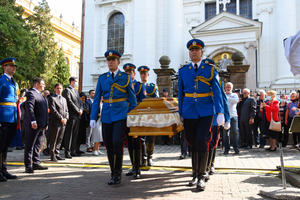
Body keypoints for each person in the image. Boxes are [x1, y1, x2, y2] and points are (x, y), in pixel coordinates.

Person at [178, 39, 224, 191]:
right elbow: (180, 93)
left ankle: (201, 176)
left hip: (205, 110)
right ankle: (194, 174)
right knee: (191, 141)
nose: (194, 52)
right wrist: (180, 112)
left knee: (202, 140)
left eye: (197, 50)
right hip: (189, 110)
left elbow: (217, 91)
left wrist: (220, 112)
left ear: (202, 52)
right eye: (191, 50)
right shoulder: (183, 71)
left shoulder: (210, 69)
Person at [90, 50, 137, 185]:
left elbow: (132, 99)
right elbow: (97, 97)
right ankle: (113, 172)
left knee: (117, 142)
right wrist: (93, 117)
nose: (110, 62)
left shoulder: (125, 77)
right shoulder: (102, 78)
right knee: (109, 145)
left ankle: (117, 173)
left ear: (118, 62)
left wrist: (131, 115)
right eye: (109, 60)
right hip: (106, 115)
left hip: (121, 114)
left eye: (113, 60)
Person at [206, 60, 230, 181]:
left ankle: (210, 165)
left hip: (215, 117)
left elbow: (223, 100)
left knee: (212, 143)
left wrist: (227, 118)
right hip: (202, 115)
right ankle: (202, 167)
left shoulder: (218, 81)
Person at [123, 63, 146, 178]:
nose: (128, 74)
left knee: (136, 143)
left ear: (134, 74)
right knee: (130, 144)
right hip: (125, 117)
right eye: (126, 72)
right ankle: (133, 166)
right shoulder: (121, 86)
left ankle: (138, 169)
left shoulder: (140, 86)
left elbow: (144, 102)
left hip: (136, 118)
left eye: (130, 72)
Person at [23, 78, 49, 173]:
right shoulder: (31, 93)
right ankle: (28, 165)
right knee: (30, 145)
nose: (44, 86)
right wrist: (33, 121)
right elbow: (30, 108)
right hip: (33, 125)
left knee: (38, 145)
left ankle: (36, 163)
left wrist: (46, 123)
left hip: (41, 125)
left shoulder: (40, 95)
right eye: (43, 84)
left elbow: (44, 111)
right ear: (36, 84)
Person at [0, 57, 18, 181]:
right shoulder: (1, 80)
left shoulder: (13, 82)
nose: (13, 68)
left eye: (14, 66)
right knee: (0, 146)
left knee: (6, 146)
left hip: (12, 117)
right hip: (3, 116)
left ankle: (3, 169)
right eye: (10, 66)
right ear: (4, 67)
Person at [138, 65, 159, 167]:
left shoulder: (152, 86)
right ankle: (143, 158)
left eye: (145, 74)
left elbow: (156, 100)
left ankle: (150, 157)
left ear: (148, 75)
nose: (143, 75)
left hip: (150, 115)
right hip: (140, 115)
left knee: (150, 138)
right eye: (141, 74)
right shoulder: (136, 86)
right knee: (141, 138)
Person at [62, 77, 83, 158]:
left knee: (75, 134)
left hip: (77, 115)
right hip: (71, 115)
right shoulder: (67, 90)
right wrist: (77, 109)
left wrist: (81, 109)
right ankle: (67, 152)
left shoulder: (76, 91)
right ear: (71, 81)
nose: (76, 83)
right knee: (69, 134)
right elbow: (69, 101)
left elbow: (80, 102)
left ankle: (73, 150)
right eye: (75, 81)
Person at [48, 83, 68, 162]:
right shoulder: (52, 98)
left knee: (60, 139)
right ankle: (52, 155)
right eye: (57, 88)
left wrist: (66, 118)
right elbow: (53, 110)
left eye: (60, 88)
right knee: (54, 139)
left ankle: (57, 153)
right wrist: (61, 118)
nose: (59, 90)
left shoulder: (64, 99)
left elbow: (66, 110)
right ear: (55, 89)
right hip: (55, 122)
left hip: (63, 122)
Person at [223, 82, 239, 155]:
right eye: (227, 87)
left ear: (232, 88)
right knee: (226, 133)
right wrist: (228, 99)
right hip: (225, 116)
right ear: (225, 88)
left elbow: (235, 101)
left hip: (233, 116)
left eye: (229, 87)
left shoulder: (234, 95)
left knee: (235, 132)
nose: (228, 88)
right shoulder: (222, 94)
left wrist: (226, 98)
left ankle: (236, 148)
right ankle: (226, 149)